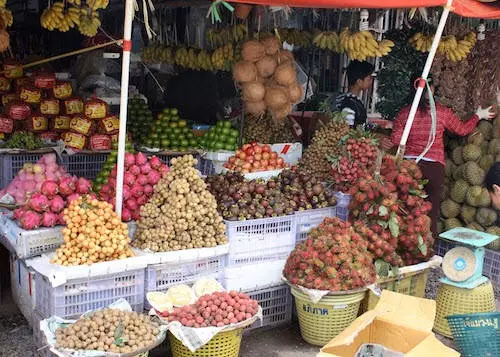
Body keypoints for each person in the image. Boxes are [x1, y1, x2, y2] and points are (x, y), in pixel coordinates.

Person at [381, 75, 496, 238]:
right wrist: (478, 115)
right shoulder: (442, 112)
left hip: (408, 169)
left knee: (405, 210)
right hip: (434, 169)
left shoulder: (405, 113)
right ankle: (428, 251)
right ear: (432, 89)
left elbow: (396, 140)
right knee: (431, 213)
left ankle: (404, 246)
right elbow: (462, 130)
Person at [335, 60, 375, 128]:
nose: (371, 82)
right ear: (359, 82)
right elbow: (347, 129)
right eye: (369, 78)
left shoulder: (355, 100)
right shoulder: (349, 104)